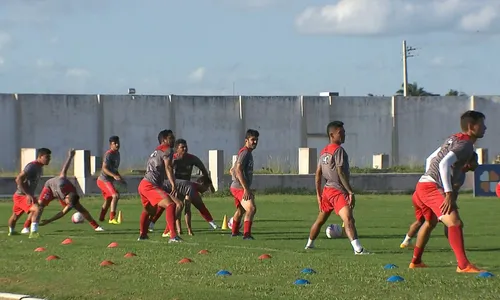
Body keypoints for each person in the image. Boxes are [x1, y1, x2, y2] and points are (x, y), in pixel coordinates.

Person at [409, 110, 486, 273]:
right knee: (455, 222)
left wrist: (429, 175)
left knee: (431, 223)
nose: (485, 128)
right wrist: (448, 193)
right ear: (472, 127)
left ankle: (416, 261)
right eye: (482, 124)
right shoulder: (466, 145)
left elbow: (432, 159)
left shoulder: (455, 138)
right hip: (430, 187)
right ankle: (463, 265)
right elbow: (443, 163)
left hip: (424, 184)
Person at [304, 121, 370, 254]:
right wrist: (350, 192)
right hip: (337, 191)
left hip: (327, 191)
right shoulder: (338, 150)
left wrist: (319, 194)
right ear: (332, 135)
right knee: (348, 219)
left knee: (320, 220)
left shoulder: (324, 151)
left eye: (344, 132)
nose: (344, 134)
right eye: (340, 133)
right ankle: (358, 249)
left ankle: (309, 244)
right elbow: (340, 172)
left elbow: (318, 174)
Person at [400, 153, 478, 248]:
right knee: (445, 222)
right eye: (475, 161)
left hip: (420, 194)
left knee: (422, 221)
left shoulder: (460, 173)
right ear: (466, 162)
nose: (477, 164)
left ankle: (406, 242)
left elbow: (454, 191)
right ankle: (457, 249)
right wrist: (451, 204)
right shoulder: (449, 169)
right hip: (427, 195)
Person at [148, 138, 217, 232]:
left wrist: (210, 184)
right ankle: (154, 224)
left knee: (195, 203)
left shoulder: (192, 158)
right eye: (182, 147)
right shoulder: (173, 159)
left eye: (186, 147)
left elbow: (203, 169)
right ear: (177, 149)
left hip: (186, 187)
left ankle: (211, 223)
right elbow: (165, 169)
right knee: (166, 205)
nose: (185, 149)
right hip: (173, 186)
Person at [38, 149, 104, 231]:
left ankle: (96, 227)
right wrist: (70, 156)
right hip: (50, 188)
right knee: (40, 205)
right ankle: (29, 226)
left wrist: (49, 221)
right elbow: (63, 171)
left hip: (61, 195)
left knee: (82, 210)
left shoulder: (72, 198)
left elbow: (62, 213)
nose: (68, 205)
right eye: (68, 203)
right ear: (67, 197)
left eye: (69, 205)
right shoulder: (62, 184)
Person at [137, 129, 183, 242]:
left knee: (149, 211)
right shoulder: (167, 150)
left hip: (144, 184)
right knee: (170, 205)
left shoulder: (156, 151)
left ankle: (143, 235)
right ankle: (173, 236)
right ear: (164, 140)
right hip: (150, 185)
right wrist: (173, 184)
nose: (173, 140)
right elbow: (168, 167)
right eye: (171, 138)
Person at [8, 148, 52, 238]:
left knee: (15, 216)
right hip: (21, 196)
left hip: (21, 195)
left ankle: (11, 231)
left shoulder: (39, 167)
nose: (49, 159)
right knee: (37, 209)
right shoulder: (32, 166)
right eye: (46, 157)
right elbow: (18, 179)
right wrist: (27, 194)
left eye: (49, 157)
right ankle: (34, 232)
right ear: (40, 157)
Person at [230, 129, 259, 239]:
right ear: (246, 140)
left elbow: (233, 169)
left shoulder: (247, 152)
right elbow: (238, 170)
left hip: (238, 186)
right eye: (252, 140)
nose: (255, 142)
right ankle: (247, 235)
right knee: (251, 209)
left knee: (241, 210)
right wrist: (246, 189)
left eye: (256, 140)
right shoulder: (245, 152)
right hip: (239, 188)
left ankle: (235, 232)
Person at [97, 136, 123, 224]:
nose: (117, 144)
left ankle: (101, 217)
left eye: (118, 142)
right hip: (103, 180)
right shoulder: (109, 154)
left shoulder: (117, 154)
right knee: (115, 195)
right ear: (110, 145)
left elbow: (114, 169)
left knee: (108, 199)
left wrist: (119, 176)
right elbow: (104, 168)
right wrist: (114, 176)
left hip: (108, 180)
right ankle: (112, 218)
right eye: (114, 143)